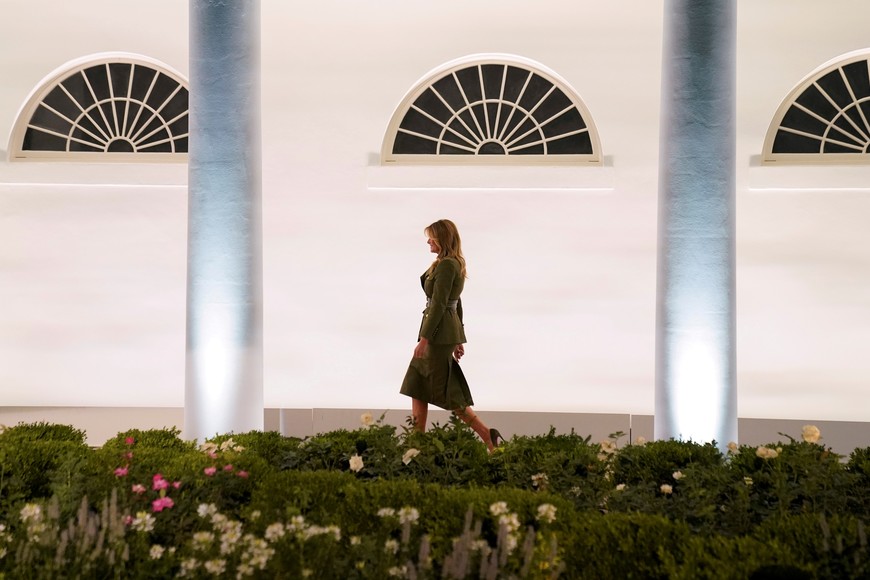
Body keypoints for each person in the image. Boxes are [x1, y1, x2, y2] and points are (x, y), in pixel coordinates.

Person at [400, 219, 503, 452]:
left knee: (444, 390)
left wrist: (425, 339)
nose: (428, 241)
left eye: (432, 237)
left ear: (443, 238)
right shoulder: (446, 263)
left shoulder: (447, 265)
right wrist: (459, 338)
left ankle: (487, 435)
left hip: (438, 335)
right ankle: (418, 442)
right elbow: (455, 303)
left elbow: (439, 304)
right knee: (417, 383)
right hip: (444, 332)